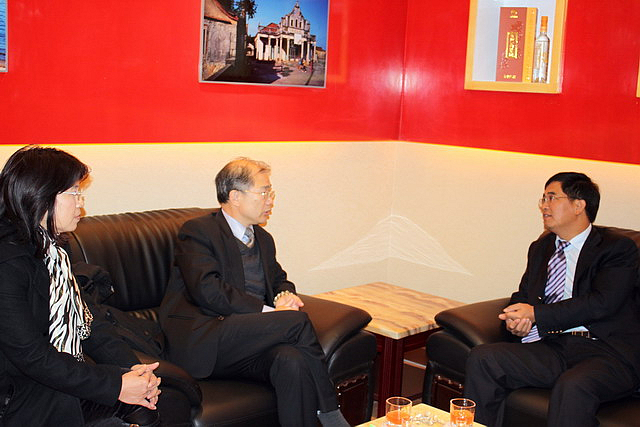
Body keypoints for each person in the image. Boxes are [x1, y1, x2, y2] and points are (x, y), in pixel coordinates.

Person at [159, 158, 350, 427]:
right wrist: (269, 313)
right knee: (296, 322)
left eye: (271, 193)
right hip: (209, 338)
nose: (270, 200)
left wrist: (284, 295)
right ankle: (329, 412)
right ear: (235, 196)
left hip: (248, 341)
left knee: (292, 360)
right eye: (264, 192)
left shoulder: (263, 238)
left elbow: (279, 279)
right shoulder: (199, 232)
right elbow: (208, 291)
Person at [0, 146, 162, 426]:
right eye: (73, 193)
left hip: (57, 381)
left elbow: (89, 324)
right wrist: (117, 385)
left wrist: (134, 371)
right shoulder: (7, 262)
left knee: (155, 401)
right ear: (40, 195)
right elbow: (30, 355)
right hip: (19, 396)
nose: (81, 204)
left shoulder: (54, 251)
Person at [465, 172, 640, 427]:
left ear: (579, 205)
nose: (544, 206)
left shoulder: (616, 248)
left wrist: (536, 314)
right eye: (543, 198)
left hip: (606, 351)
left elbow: (602, 302)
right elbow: (524, 296)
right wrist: (515, 320)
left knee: (573, 385)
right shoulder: (542, 247)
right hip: (555, 346)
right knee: (484, 358)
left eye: (552, 197)